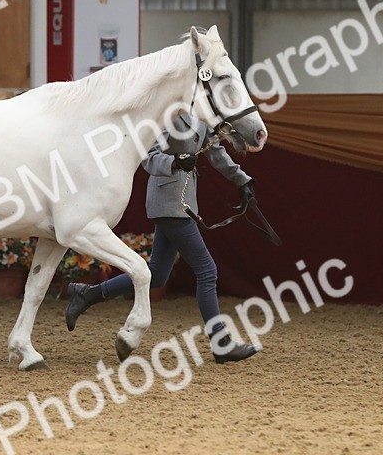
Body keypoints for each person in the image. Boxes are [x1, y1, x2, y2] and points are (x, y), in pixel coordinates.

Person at [65, 112, 262, 363]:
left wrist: (242, 180)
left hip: (182, 202)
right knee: (207, 271)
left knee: (157, 274)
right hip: (168, 201)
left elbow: (215, 151)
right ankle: (221, 343)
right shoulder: (166, 114)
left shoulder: (199, 115)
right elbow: (150, 157)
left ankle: (89, 294)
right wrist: (176, 162)